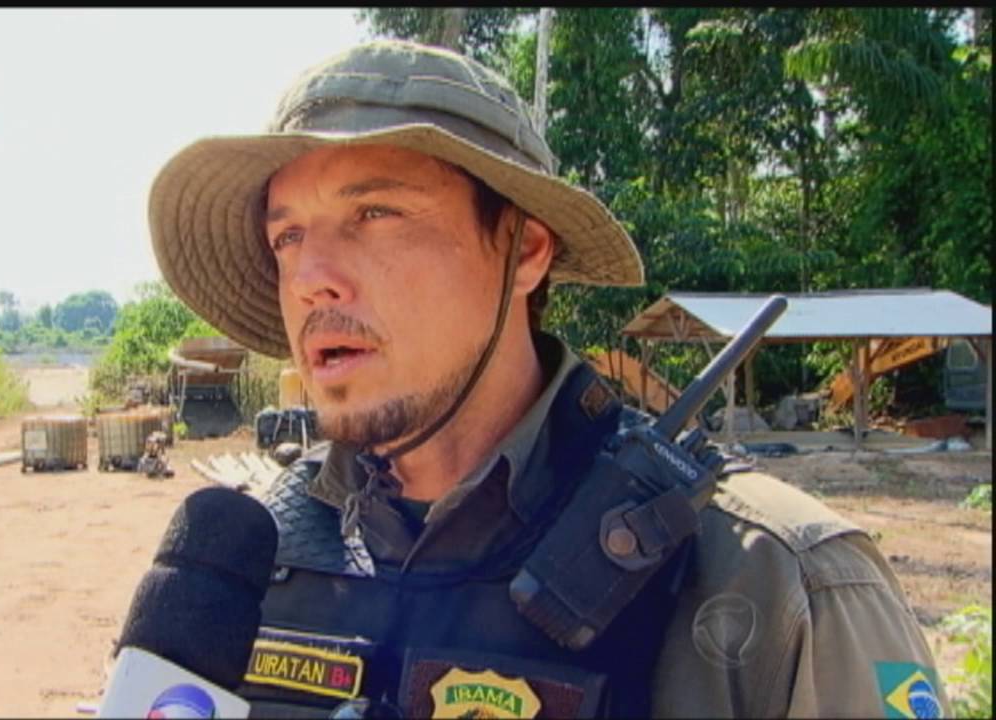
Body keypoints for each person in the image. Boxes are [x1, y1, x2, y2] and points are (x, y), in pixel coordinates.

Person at [147, 40, 946, 719]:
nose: (312, 278)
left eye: (376, 215)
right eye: (287, 236)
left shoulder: (773, 580)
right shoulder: (241, 563)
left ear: (525, 251)